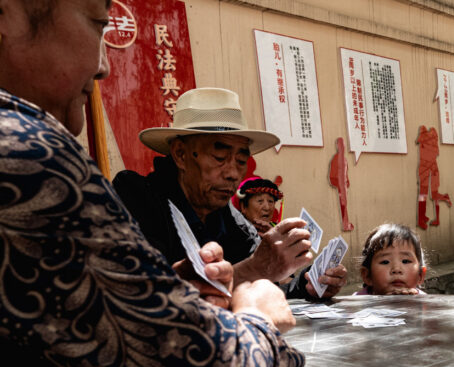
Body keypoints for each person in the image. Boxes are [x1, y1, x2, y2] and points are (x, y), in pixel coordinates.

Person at [0, 1, 303, 367]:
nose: (101, 65)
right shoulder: (28, 155)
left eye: (239, 158)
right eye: (97, 23)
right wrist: (259, 314)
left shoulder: (232, 217)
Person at [113, 87, 347, 299]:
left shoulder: (228, 217)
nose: (233, 174)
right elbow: (146, 294)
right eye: (220, 158)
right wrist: (257, 267)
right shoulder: (137, 197)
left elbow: (258, 287)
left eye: (241, 160)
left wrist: (306, 286)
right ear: (181, 155)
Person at [355, 223, 427, 295]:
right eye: (385, 262)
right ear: (367, 276)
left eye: (405, 261)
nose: (396, 269)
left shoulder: (424, 302)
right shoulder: (358, 303)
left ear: (420, 275)